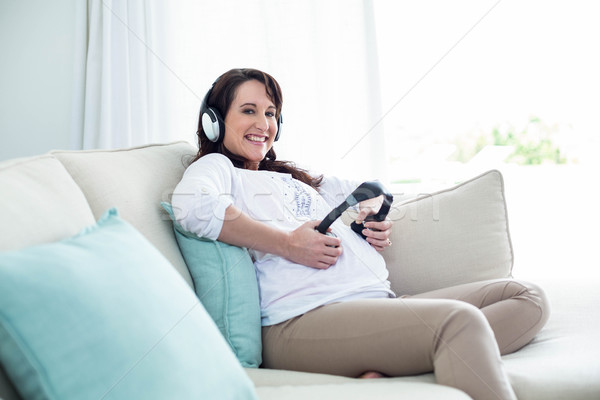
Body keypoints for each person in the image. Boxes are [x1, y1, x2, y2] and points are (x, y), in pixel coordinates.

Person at [172, 68, 549, 400]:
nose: (264, 124)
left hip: (374, 306)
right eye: (249, 111)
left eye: (271, 113)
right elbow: (192, 207)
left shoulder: (291, 177)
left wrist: (372, 212)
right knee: (460, 322)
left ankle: (400, 364)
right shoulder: (218, 168)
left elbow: (371, 188)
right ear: (214, 121)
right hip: (301, 321)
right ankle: (426, 354)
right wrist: (288, 244)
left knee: (526, 297)